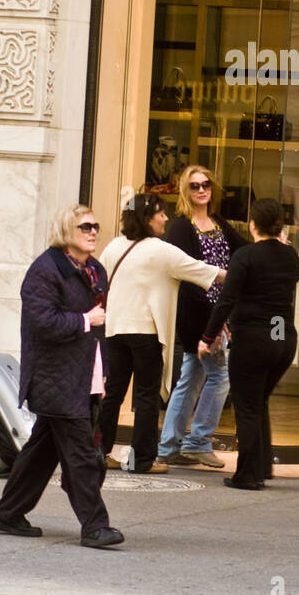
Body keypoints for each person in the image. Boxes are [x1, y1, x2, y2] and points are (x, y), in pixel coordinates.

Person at [0, 204, 123, 549]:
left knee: (41, 454)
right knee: (80, 456)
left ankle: (7, 512)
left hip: (82, 376)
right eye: (85, 227)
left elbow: (99, 327)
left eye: (95, 226)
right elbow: (42, 322)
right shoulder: (45, 271)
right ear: (67, 232)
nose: (93, 232)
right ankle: (94, 526)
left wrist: (102, 372)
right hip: (55, 378)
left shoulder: (95, 270)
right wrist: (82, 320)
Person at [99, 192, 225, 474]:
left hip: (114, 330)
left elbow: (99, 281)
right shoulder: (160, 250)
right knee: (146, 398)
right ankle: (143, 460)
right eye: (161, 213)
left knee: (113, 394)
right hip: (146, 333)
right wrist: (241, 274)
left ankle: (99, 452)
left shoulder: (114, 246)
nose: (166, 218)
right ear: (147, 218)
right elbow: (204, 270)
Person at [198, 198, 299, 491]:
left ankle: (247, 475)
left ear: (253, 224)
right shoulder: (290, 255)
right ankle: (262, 466)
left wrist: (208, 337)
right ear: (280, 225)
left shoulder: (245, 256)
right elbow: (290, 276)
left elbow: (226, 300)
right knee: (258, 401)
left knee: (247, 405)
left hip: (253, 337)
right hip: (282, 335)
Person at [158, 166, 246, 469]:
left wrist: (270, 245)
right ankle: (197, 441)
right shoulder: (182, 227)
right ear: (186, 190)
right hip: (200, 316)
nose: (201, 190)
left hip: (219, 314)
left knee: (191, 378)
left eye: (206, 184)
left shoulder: (218, 222)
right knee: (220, 377)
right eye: (194, 186)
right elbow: (186, 277)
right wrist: (211, 326)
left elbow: (242, 251)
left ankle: (169, 445)